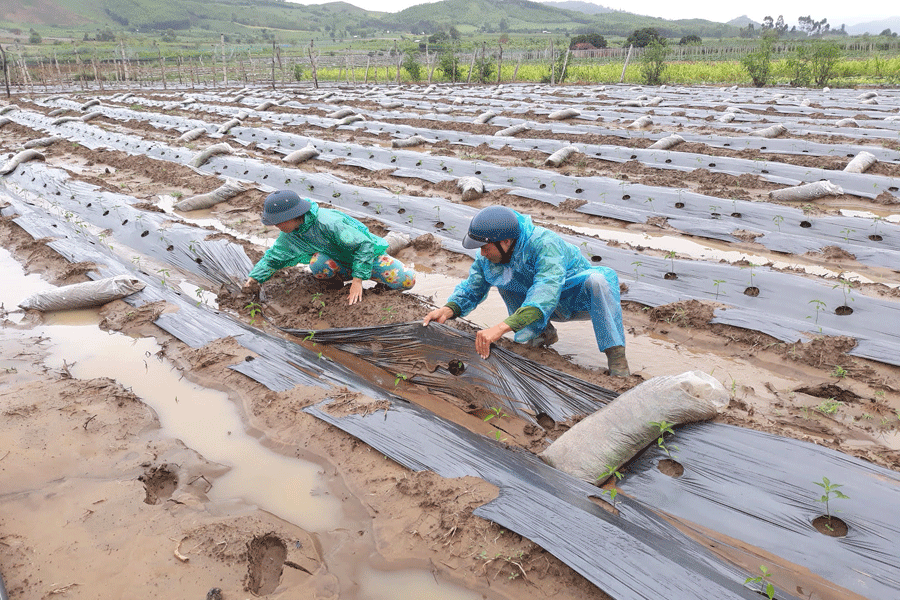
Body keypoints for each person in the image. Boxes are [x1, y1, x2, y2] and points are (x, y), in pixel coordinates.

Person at [422, 206, 630, 377]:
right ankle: (540, 334)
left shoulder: (544, 243)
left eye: (486, 247)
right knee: (505, 278)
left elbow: (546, 290)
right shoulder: (488, 256)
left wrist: (501, 328)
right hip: (537, 302)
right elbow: (472, 288)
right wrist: (448, 310)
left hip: (573, 296)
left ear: (505, 242)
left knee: (599, 280)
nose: (482, 253)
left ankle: (616, 356)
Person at [242, 190, 416, 305]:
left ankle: (381, 290)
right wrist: (254, 279)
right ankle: (335, 290)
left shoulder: (329, 223)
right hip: (339, 265)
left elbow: (364, 245)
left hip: (365, 258)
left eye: (277, 222)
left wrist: (357, 281)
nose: (276, 226)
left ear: (291, 217)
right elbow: (274, 257)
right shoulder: (290, 234)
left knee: (408, 279)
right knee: (318, 262)